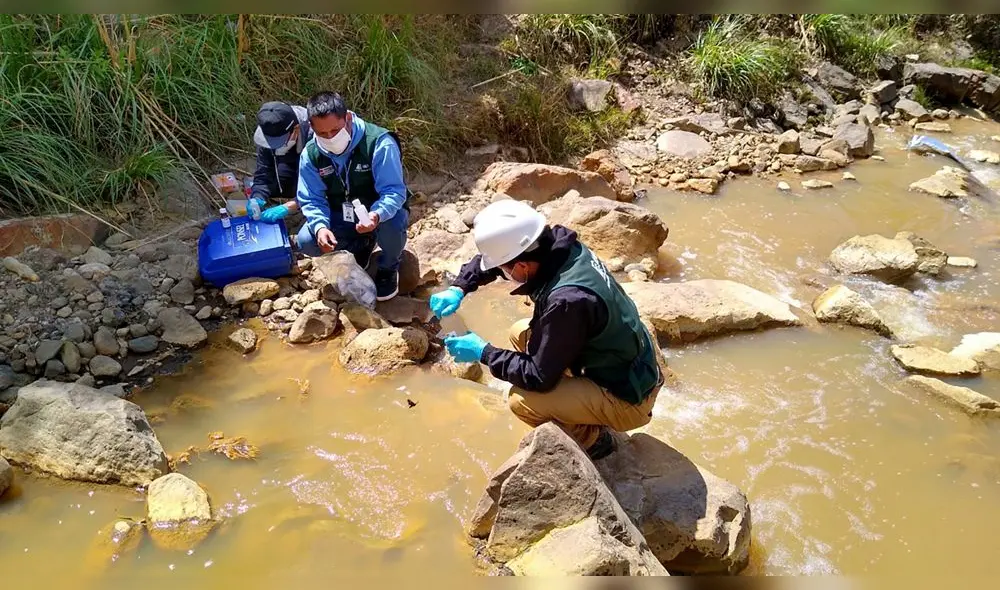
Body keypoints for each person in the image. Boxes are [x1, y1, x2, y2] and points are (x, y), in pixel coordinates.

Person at [430, 200, 663, 460]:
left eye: (504, 270)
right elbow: (501, 258)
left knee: (522, 401)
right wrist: (460, 287)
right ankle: (579, 401)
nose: (501, 274)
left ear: (521, 267)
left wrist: (483, 352)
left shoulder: (567, 301)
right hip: (629, 361)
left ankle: (596, 442)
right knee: (521, 333)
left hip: (628, 396)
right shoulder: (560, 245)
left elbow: (537, 377)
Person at [294, 91, 410, 301]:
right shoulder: (310, 154)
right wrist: (320, 226)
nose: (330, 138)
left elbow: (394, 191)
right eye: (322, 133)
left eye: (335, 130)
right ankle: (360, 248)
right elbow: (311, 199)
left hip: (378, 214)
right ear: (312, 128)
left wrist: (376, 215)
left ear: (347, 117)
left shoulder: (379, 143)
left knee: (393, 223)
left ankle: (389, 266)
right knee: (307, 240)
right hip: (342, 214)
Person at [248, 101, 313, 223]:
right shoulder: (268, 131)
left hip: (312, 171)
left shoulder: (314, 135)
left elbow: (323, 183)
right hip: (288, 168)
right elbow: (263, 174)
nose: (272, 147)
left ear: (296, 129)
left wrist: (291, 205)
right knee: (275, 184)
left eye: (278, 142)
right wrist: (257, 197)